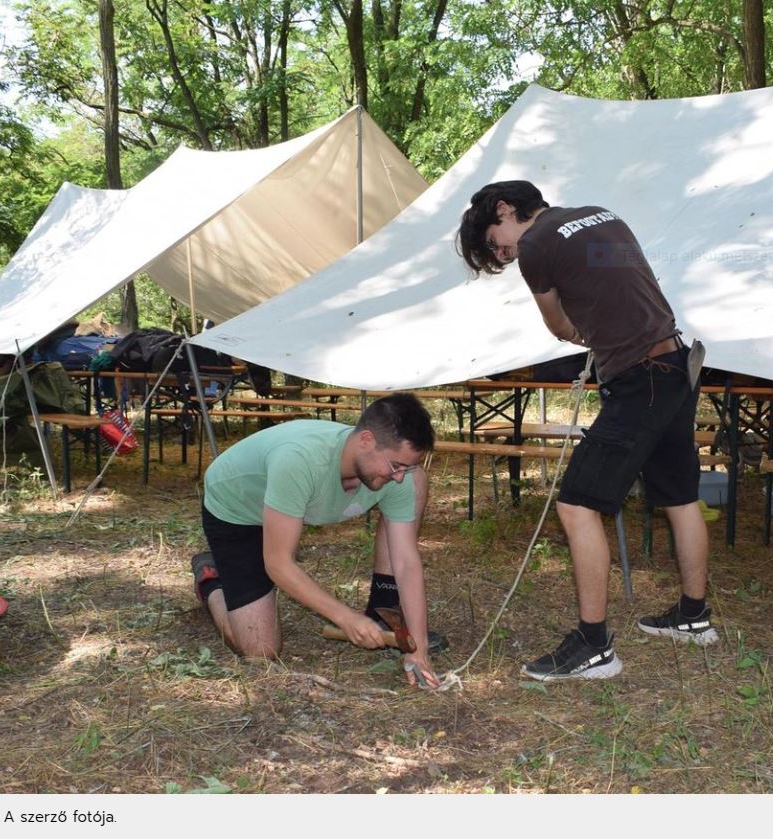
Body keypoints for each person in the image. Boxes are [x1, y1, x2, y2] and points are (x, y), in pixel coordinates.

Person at [456, 180, 718, 681]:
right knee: (680, 496)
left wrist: (585, 335)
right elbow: (619, 290)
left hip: (640, 378)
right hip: (677, 365)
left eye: (495, 241)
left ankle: (594, 646)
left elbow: (558, 327)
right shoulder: (601, 214)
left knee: (577, 505)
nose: (504, 253)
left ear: (505, 209)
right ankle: (693, 616)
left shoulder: (536, 244)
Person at [192, 393, 442, 688]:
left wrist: (420, 649)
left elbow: (406, 561)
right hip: (237, 509)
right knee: (261, 651)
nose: (399, 477)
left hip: (284, 508)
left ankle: (383, 606)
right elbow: (279, 564)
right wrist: (346, 618)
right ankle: (211, 580)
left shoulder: (398, 475)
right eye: (396, 465)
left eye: (406, 467)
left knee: (416, 483)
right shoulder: (299, 460)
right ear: (365, 440)